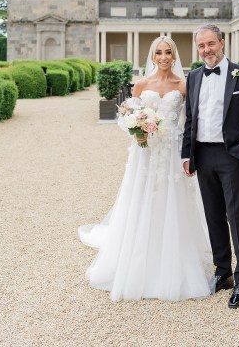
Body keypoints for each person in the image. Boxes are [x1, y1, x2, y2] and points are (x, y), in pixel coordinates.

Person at [78, 36, 213, 301]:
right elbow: (126, 116)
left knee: (173, 203)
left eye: (168, 52)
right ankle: (139, 259)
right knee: (143, 200)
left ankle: (175, 261)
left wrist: (190, 156)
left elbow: (190, 123)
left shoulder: (184, 85)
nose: (163, 57)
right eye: (159, 53)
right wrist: (136, 132)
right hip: (146, 154)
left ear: (174, 56)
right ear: (152, 56)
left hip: (173, 153)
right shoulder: (141, 84)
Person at [182, 24, 239, 309]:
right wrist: (187, 156)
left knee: (237, 217)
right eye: (201, 46)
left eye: (210, 44)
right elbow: (190, 120)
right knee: (213, 217)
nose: (206, 50)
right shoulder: (193, 77)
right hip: (203, 155)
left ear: (222, 43)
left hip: (231, 156)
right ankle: (223, 272)